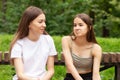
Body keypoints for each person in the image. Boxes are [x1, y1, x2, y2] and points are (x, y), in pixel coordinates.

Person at [9, 6, 57, 80]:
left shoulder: (48, 40)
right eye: (40, 22)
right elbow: (20, 74)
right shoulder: (18, 44)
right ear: (29, 24)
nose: (44, 25)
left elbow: (51, 70)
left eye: (44, 21)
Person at [62, 13, 102, 80]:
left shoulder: (96, 48)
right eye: (75, 25)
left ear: (89, 28)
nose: (77, 28)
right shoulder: (66, 40)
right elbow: (69, 64)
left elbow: (96, 75)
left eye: (80, 25)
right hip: (70, 77)